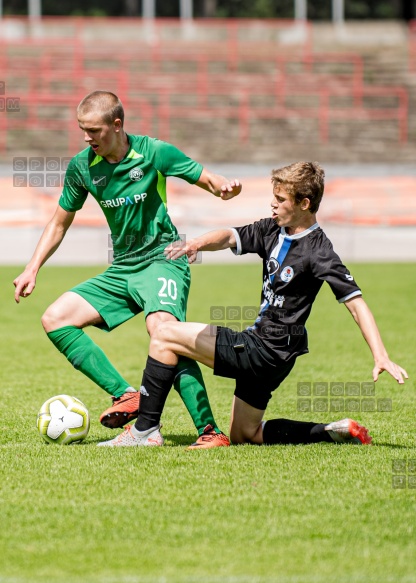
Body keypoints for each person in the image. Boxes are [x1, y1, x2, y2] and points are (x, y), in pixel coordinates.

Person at [97, 161, 408, 448]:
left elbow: (355, 302)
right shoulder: (274, 228)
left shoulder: (320, 251)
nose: (272, 204)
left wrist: (381, 355)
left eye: (280, 199)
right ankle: (330, 430)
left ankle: (145, 431)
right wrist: (196, 243)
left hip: (265, 349)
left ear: (304, 204)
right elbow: (231, 236)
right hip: (278, 353)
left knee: (165, 333)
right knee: (245, 434)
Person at [13, 90, 242, 449]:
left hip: (163, 260)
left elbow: (209, 180)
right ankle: (126, 395)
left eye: (93, 131)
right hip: (123, 269)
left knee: (164, 330)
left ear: (117, 125)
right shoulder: (82, 166)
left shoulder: (154, 152)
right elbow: (59, 222)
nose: (87, 138)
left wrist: (225, 189)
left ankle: (209, 432)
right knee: (55, 318)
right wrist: (32, 268)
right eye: (81, 130)